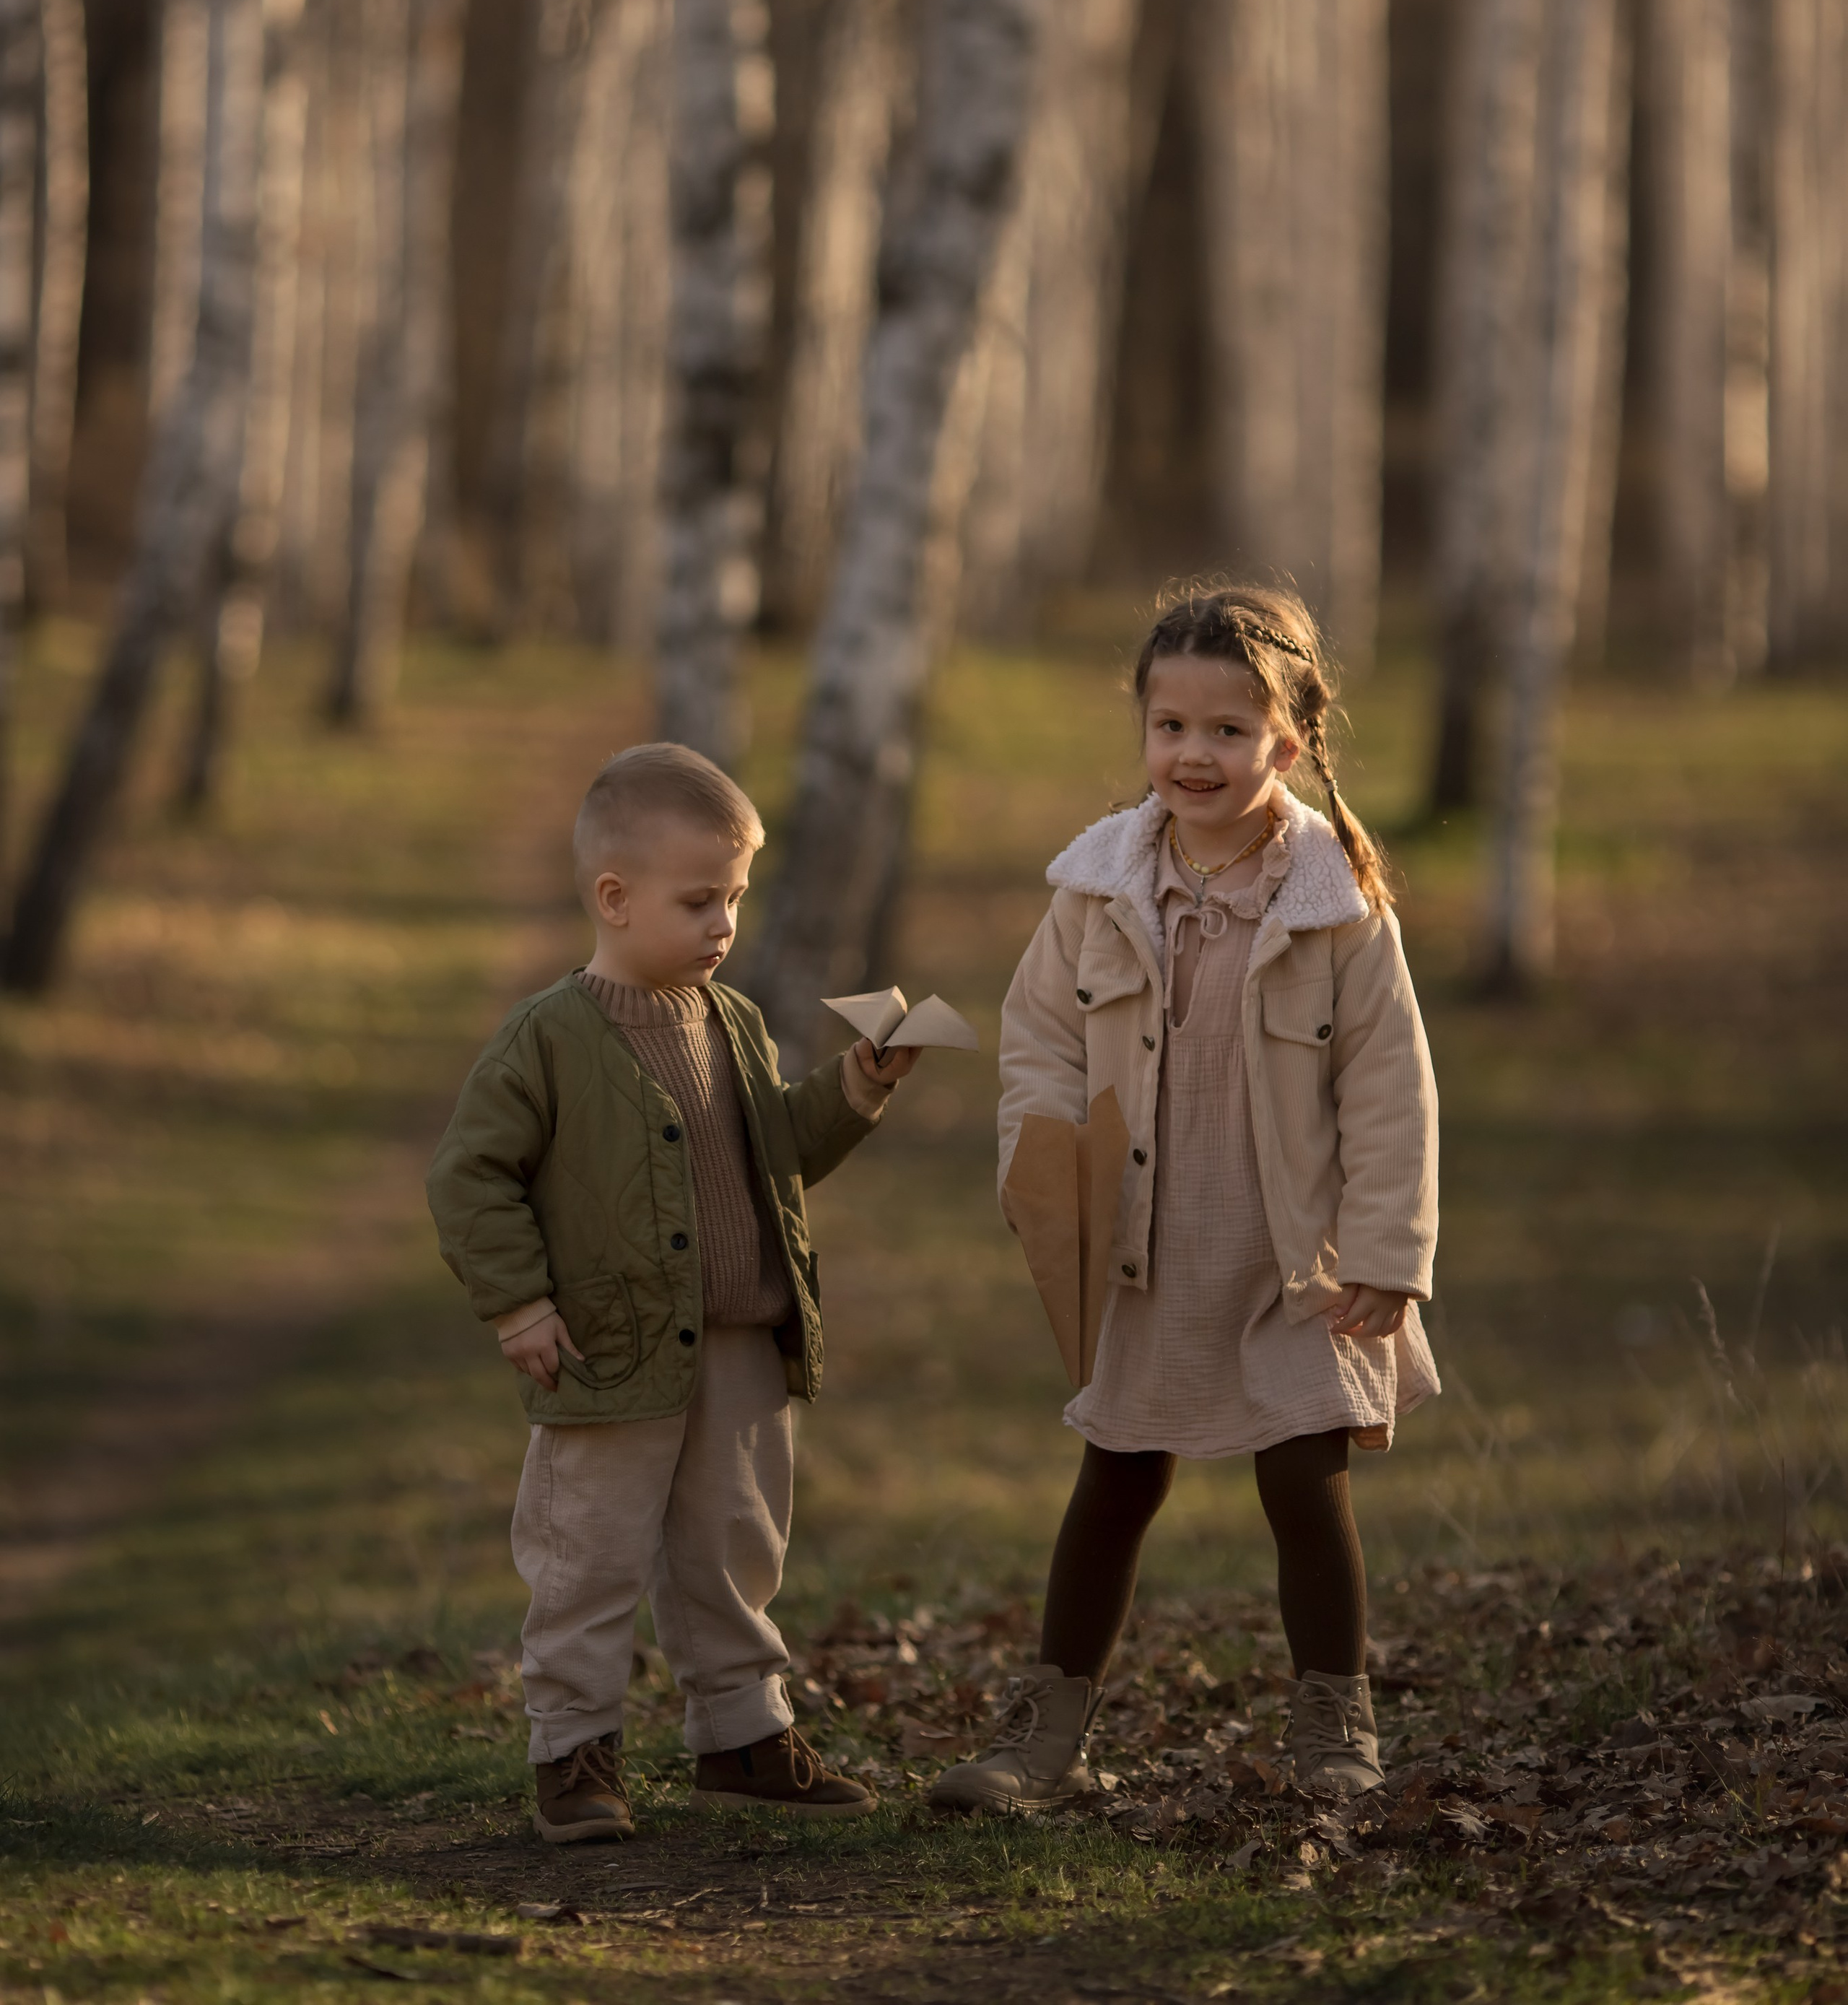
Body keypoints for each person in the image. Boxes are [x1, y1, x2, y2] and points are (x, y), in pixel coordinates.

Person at [931, 582, 1439, 1811]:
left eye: (1228, 730)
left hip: (1294, 1260)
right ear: (1143, 730)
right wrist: (1042, 1173)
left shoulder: (1335, 903)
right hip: (1145, 1250)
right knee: (1117, 1478)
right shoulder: (1098, 890)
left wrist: (1388, 1249)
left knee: (1303, 1481)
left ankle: (1335, 1727)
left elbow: (1390, 1087)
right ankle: (1045, 1734)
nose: (1193, 755)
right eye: (1171, 727)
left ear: (1290, 741)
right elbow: (1039, 1043)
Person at [427, 741, 919, 1843]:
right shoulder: (548, 1039)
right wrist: (520, 1305)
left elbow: (774, 1152)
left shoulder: (732, 1021)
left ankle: (741, 1736)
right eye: (700, 901)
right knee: (587, 1552)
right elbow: (468, 1177)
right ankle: (573, 1752)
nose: (724, 924)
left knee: (734, 1546)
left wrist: (856, 1084)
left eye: (735, 898)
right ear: (614, 899)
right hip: (609, 1347)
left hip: (740, 1341)